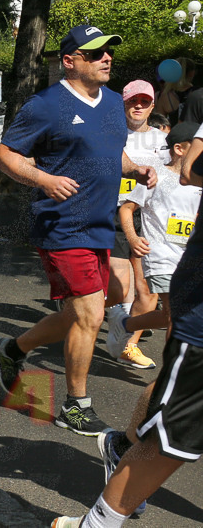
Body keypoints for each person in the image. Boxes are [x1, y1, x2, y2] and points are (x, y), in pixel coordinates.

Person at [0, 24, 156, 436]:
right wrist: (43, 179)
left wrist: (135, 169)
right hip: (62, 225)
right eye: (95, 52)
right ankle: (75, 405)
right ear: (69, 60)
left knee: (85, 309)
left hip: (100, 223)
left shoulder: (113, 102)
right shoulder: (46, 105)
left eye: (108, 51)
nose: (106, 58)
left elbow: (111, 151)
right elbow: (4, 156)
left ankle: (12, 348)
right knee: (91, 313)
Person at [51, 123, 203, 526]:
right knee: (171, 439)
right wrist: (135, 247)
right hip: (176, 273)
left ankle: (125, 442)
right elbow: (189, 172)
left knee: (173, 429)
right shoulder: (164, 173)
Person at [109, 122, 201, 365]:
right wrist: (132, 238)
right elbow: (127, 209)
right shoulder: (156, 176)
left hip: (188, 256)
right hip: (160, 254)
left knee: (171, 314)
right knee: (176, 315)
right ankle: (172, 370)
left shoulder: (199, 182)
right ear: (180, 149)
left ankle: (125, 323)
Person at [104, 80, 170, 369]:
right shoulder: (111, 134)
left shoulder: (162, 140)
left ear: (153, 106)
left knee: (148, 292)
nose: (139, 106)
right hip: (112, 213)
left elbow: (171, 177)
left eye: (144, 101)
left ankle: (128, 345)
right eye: (133, 101)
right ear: (124, 104)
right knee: (120, 290)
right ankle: (79, 311)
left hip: (149, 218)